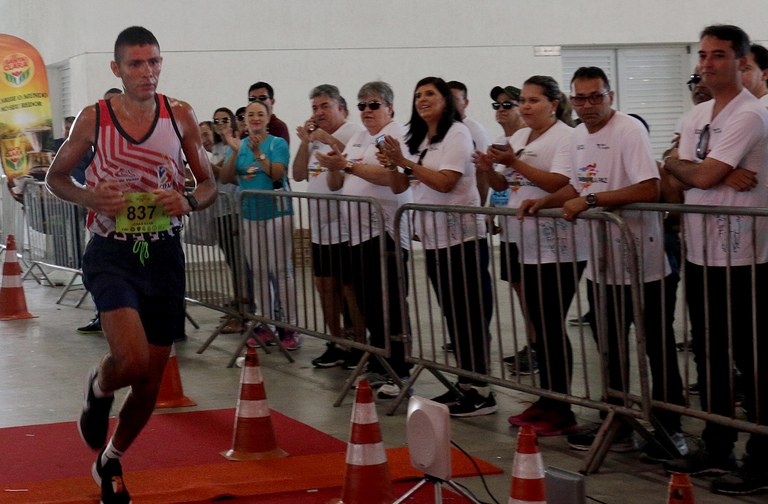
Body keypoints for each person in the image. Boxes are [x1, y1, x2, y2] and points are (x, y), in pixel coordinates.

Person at [45, 26, 216, 504]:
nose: (148, 72)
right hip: (112, 252)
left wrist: (188, 200)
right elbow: (56, 177)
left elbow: (208, 183)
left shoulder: (179, 114)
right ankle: (99, 387)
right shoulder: (94, 118)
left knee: (149, 381)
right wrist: (89, 197)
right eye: (137, 64)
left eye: (154, 61)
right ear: (116, 68)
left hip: (163, 254)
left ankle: (111, 460)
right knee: (133, 359)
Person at [519, 66, 686, 455]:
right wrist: (544, 202)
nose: (589, 105)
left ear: (611, 96)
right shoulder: (578, 136)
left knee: (657, 347)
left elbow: (649, 187)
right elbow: (577, 185)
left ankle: (669, 427)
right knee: (610, 349)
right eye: (581, 98)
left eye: (596, 96)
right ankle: (617, 421)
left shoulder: (629, 129)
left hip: (642, 262)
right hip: (601, 263)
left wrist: (591, 201)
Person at [663, 25, 768, 496]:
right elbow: (681, 179)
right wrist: (684, 166)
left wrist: (685, 165)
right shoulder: (697, 115)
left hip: (746, 256)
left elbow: (701, 176)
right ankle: (717, 442)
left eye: (719, 55)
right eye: (703, 55)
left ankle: (762, 458)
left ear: (742, 63)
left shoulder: (751, 114)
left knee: (753, 358)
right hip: (702, 252)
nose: (707, 64)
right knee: (709, 353)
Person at [475, 75, 586, 435]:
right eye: (522, 100)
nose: (525, 106)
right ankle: (547, 397)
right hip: (528, 242)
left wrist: (515, 162)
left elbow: (561, 184)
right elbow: (504, 184)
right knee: (538, 322)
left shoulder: (567, 137)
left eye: (533, 100)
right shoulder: (520, 137)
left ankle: (562, 407)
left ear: (554, 104)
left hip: (562, 245)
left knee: (551, 322)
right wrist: (489, 169)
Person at [379, 77, 495, 416]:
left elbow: (446, 182)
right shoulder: (417, 139)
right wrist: (393, 163)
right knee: (453, 315)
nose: (422, 99)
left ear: (446, 100)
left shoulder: (457, 133)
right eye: (418, 95)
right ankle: (466, 384)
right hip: (434, 240)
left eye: (430, 93)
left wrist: (406, 162)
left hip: (462, 239)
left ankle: (482, 391)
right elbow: (400, 185)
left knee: (469, 315)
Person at [317, 81, 413, 397]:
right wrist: (335, 166)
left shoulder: (398, 135)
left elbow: (392, 178)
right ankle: (380, 361)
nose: (367, 111)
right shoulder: (360, 137)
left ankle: (399, 368)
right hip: (357, 235)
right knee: (368, 303)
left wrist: (346, 165)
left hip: (385, 232)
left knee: (390, 304)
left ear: (389, 107)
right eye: (362, 105)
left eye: (373, 105)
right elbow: (337, 182)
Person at [292, 84, 365, 368]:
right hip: (320, 228)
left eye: (325, 106)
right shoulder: (314, 139)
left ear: (341, 108)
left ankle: (359, 344)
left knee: (349, 288)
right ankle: (336, 341)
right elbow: (299, 174)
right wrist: (305, 142)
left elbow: (354, 161)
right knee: (324, 285)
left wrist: (326, 137)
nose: (319, 112)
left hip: (346, 228)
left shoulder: (353, 132)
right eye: (315, 107)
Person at [220, 99, 301, 350]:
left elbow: (276, 173)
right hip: (250, 214)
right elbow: (226, 177)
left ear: (267, 118)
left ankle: (291, 326)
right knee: (259, 271)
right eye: (250, 115)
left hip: (277, 213)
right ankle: (267, 324)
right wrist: (235, 151)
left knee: (281, 269)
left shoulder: (277, 143)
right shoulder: (240, 144)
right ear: (245, 120)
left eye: (260, 114)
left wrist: (258, 154)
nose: (255, 118)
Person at [76, 87, 124, 335]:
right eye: (105, 106)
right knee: (97, 274)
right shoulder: (92, 136)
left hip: (147, 234)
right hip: (104, 228)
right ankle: (102, 314)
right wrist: (88, 197)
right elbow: (60, 175)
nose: (108, 112)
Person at [447, 80, 490, 153]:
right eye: (447, 99)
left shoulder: (476, 130)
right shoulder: (438, 128)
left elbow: (484, 155)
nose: (449, 103)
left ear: (465, 103)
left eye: (454, 100)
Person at [248, 82, 290, 146]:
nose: (257, 101)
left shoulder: (278, 127)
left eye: (262, 98)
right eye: (252, 99)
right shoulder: (246, 126)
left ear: (272, 102)